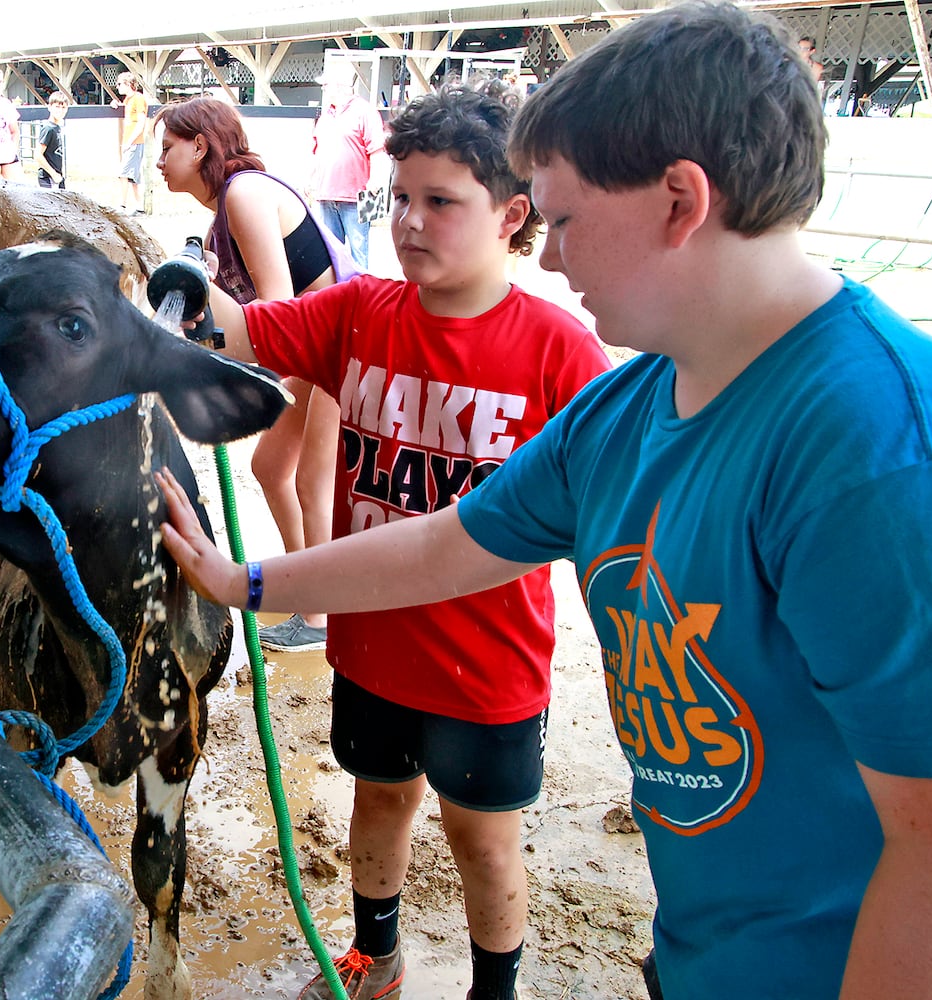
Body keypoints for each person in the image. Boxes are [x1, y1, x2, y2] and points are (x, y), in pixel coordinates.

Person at [158, 5, 932, 1000]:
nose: (554, 256)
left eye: (565, 219)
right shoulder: (627, 409)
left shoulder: (885, 450)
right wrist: (248, 581)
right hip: (706, 947)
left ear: (679, 202)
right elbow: (447, 545)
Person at [176, 85, 611, 998]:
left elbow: (601, 525)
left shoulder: (559, 351)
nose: (410, 222)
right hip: (371, 645)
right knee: (376, 800)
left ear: (512, 213)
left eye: (440, 201)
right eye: (398, 198)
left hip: (487, 664)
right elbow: (241, 328)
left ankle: (494, 989)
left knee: (482, 839)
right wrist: (176, 287)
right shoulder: (359, 313)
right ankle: (376, 956)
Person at [154, 96, 365, 653]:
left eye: (168, 148)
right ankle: (309, 596)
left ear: (200, 145)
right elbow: (251, 329)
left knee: (311, 481)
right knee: (272, 468)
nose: (159, 161)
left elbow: (280, 315)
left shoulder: (244, 195)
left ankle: (321, 617)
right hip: (320, 342)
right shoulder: (223, 212)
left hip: (343, 341)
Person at [308, 60, 388, 270]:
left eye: (326, 85)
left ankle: (360, 297)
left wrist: (375, 184)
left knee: (358, 251)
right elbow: (317, 153)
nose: (324, 89)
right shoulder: (326, 116)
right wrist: (310, 182)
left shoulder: (365, 112)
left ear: (340, 86)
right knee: (330, 253)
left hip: (357, 196)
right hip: (326, 194)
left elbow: (378, 151)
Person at [116, 72, 148, 213]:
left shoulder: (138, 99)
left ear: (128, 84)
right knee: (133, 176)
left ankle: (122, 205)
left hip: (134, 143)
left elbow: (141, 123)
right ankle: (139, 206)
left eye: (120, 84)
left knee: (123, 173)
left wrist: (129, 142)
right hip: (130, 142)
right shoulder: (128, 100)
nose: (117, 87)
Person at [37, 90, 68, 189]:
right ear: (49, 107)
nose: (60, 110)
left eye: (63, 107)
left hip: (57, 175)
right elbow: (38, 155)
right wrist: (53, 173)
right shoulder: (48, 128)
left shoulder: (57, 128)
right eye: (57, 107)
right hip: (48, 178)